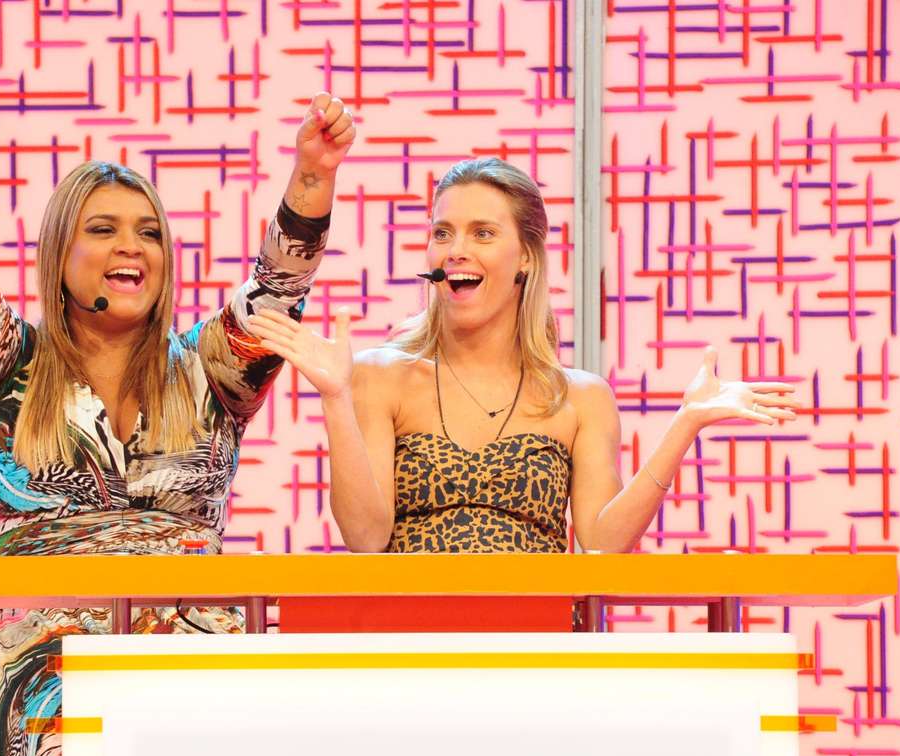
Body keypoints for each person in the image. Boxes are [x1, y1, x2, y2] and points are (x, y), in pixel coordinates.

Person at [0, 49, 354, 756]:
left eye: (147, 232)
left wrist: (313, 173)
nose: (129, 246)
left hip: (196, 657)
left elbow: (277, 287)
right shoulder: (4, 366)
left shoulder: (208, 370)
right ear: (60, 252)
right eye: (102, 229)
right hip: (44, 668)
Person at [248, 156, 799, 555]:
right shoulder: (379, 375)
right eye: (443, 232)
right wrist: (337, 398)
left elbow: (604, 546)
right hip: (412, 648)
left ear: (526, 258)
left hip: (541, 651)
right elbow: (366, 539)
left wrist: (685, 425)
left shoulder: (580, 397)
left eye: (483, 233)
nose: (456, 250)